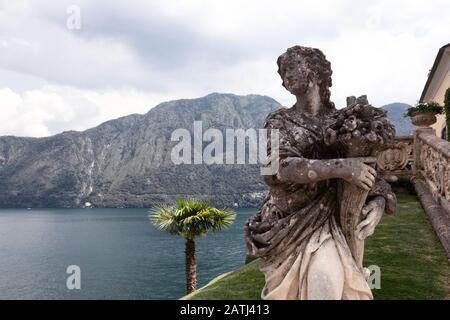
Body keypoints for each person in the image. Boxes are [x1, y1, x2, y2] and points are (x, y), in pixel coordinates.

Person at [245, 46, 396, 300]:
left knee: (325, 285)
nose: (285, 77)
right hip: (287, 223)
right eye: (282, 73)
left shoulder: (342, 122)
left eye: (290, 68)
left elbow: (371, 172)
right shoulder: (279, 121)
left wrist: (378, 203)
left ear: (314, 71)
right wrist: (343, 168)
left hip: (328, 223)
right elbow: (278, 167)